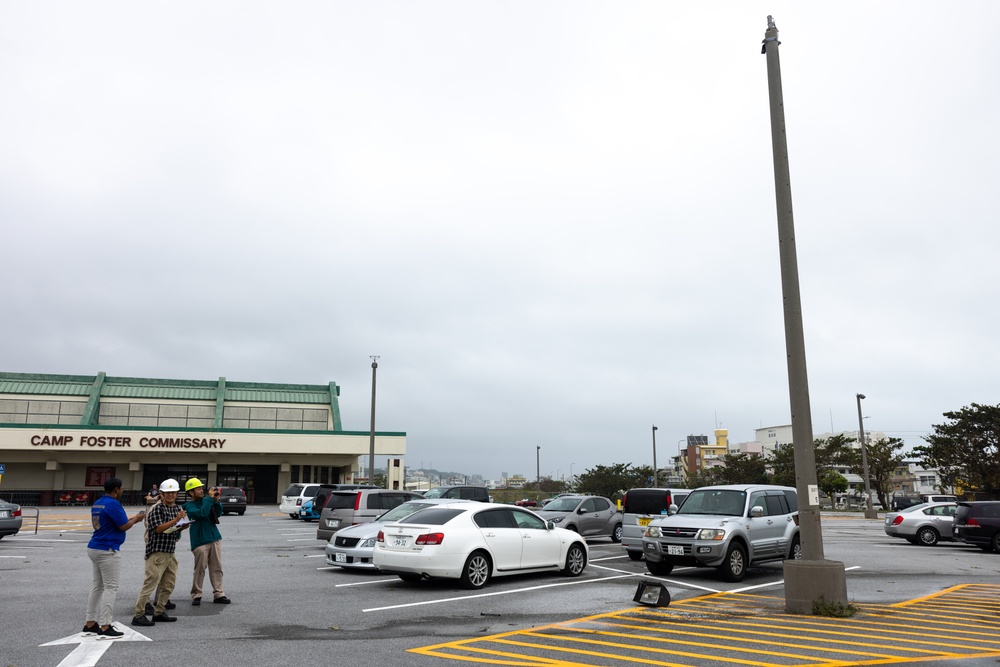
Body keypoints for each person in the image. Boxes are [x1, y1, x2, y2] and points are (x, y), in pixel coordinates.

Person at [83, 477, 146, 639]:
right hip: (108, 549)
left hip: (94, 546)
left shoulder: (98, 503)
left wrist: (131, 519)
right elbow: (123, 525)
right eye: (121, 488)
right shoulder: (113, 504)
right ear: (116, 489)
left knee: (97, 586)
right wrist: (137, 519)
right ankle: (105, 626)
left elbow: (117, 521)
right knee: (111, 587)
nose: (122, 491)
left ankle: (90, 623)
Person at [132, 478, 188, 627]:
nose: (171, 495)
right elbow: (158, 528)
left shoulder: (177, 508)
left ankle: (159, 611)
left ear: (177, 494)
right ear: (161, 494)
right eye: (167, 493)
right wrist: (177, 520)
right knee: (150, 583)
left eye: (173, 493)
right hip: (157, 551)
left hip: (170, 551)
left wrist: (183, 525)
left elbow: (174, 528)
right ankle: (139, 614)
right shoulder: (157, 508)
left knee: (168, 584)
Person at [183, 478, 230, 605]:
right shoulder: (189, 506)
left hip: (214, 537)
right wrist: (209, 500)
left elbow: (218, 514)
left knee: (217, 568)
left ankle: (219, 594)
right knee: (200, 568)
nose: (201, 490)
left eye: (201, 487)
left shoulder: (206, 501)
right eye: (198, 488)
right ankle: (196, 594)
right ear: (191, 493)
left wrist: (216, 501)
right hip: (199, 541)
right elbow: (202, 513)